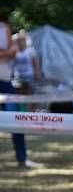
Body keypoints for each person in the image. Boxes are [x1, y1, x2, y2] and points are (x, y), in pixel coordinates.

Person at [0, 11, 35, 169]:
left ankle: (22, 158)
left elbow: (12, 51)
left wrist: (8, 52)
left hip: (6, 81)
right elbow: (10, 51)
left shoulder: (5, 27)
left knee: (16, 119)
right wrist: (7, 53)